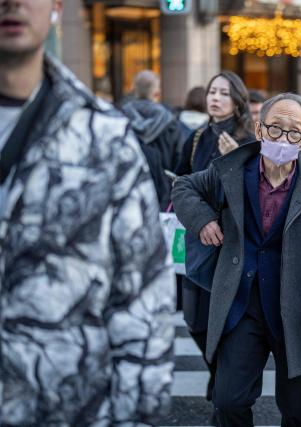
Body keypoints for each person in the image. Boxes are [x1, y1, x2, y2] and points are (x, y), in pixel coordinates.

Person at [0, 0, 175, 424]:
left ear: (56, 7)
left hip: (68, 407)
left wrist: (137, 414)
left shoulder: (103, 136)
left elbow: (141, 295)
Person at [172, 93, 301, 427]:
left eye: (294, 133)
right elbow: (183, 188)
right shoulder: (231, 171)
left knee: (297, 408)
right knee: (228, 400)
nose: (283, 138)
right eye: (275, 129)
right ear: (260, 130)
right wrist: (203, 219)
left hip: (297, 309)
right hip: (241, 305)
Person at [174, 70, 254, 404]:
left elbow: (253, 188)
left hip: (231, 239)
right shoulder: (196, 137)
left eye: (223, 92)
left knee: (222, 315)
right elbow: (179, 179)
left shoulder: (247, 137)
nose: (215, 98)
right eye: (211, 92)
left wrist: (235, 154)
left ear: (237, 100)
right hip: (197, 233)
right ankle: (214, 368)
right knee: (193, 318)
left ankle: (221, 375)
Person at [122, 70, 184, 210]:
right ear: (156, 92)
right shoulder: (170, 122)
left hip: (129, 187)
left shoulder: (120, 118)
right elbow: (179, 160)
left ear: (134, 89)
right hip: (162, 192)